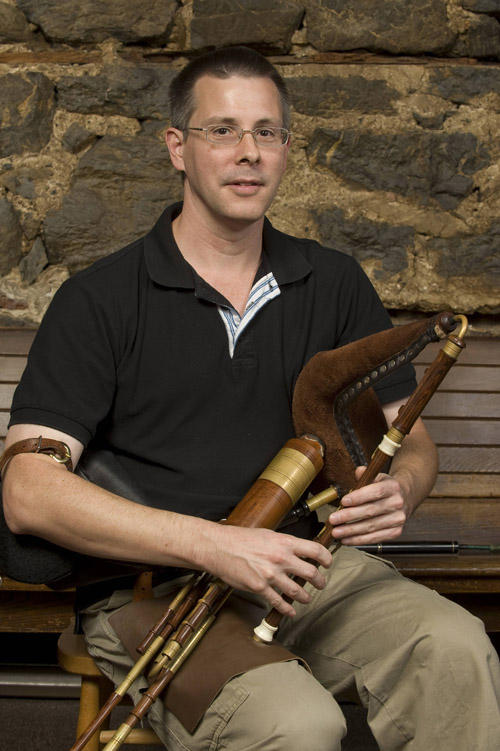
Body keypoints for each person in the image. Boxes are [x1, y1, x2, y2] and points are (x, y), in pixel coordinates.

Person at [2, 46, 499, 751]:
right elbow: (28, 489)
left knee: (456, 648)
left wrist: (406, 488)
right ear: (178, 148)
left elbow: (406, 435)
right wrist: (217, 545)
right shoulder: (100, 300)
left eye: (267, 132)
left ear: (287, 150)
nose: (248, 152)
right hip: (152, 587)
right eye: (223, 130)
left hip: (309, 565)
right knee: (293, 722)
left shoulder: (333, 282)